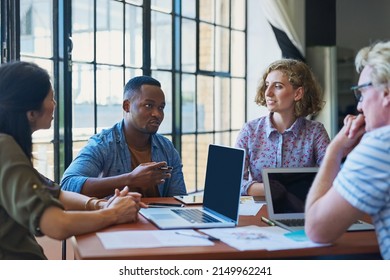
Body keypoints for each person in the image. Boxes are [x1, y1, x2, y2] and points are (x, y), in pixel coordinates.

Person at [0, 61, 144, 260]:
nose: (55, 105)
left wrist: (102, 205)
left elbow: (55, 193)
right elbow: (57, 225)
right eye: (51, 98)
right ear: (31, 113)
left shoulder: (8, 146)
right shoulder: (4, 148)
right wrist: (114, 214)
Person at [305, 41, 390, 259]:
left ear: (386, 93)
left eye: (362, 93)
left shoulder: (380, 144)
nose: (359, 106)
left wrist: (335, 149)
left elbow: (317, 228)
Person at [61, 75, 187, 198]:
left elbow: (179, 200)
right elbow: (67, 185)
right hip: (115, 218)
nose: (157, 114)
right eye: (149, 105)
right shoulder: (103, 144)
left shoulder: (167, 148)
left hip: (158, 219)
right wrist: (130, 179)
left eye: (161, 107)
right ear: (127, 106)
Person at [235, 59, 330, 196]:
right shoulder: (250, 130)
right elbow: (235, 182)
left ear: (297, 94)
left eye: (278, 86)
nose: (268, 93)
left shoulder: (315, 132)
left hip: (299, 211)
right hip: (259, 211)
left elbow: (331, 178)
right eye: (267, 85)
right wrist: (270, 190)